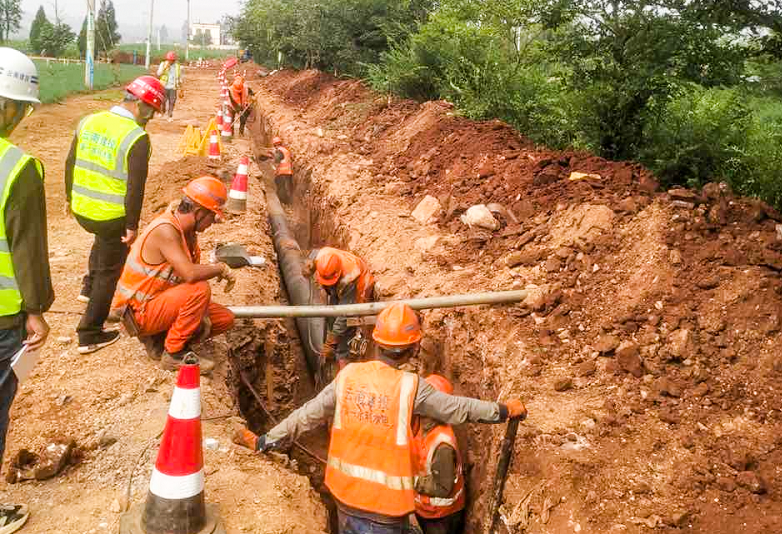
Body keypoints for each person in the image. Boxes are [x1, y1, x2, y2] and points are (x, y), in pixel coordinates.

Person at [233, 303, 527, 534]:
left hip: (343, 498)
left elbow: (307, 415)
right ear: (414, 347)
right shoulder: (412, 388)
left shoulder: (348, 376)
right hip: (384, 512)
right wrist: (502, 410)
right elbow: (458, 408)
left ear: (375, 340)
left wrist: (264, 441)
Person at [65, 75, 165, 354]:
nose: (151, 118)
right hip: (110, 215)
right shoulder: (137, 137)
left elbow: (70, 162)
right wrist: (131, 225)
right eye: (152, 112)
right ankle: (89, 333)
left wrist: (68, 197)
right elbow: (135, 188)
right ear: (142, 106)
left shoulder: (89, 121)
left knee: (102, 241)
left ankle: (87, 288)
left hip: (83, 208)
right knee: (111, 270)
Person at [0, 47, 54, 532]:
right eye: (20, 108)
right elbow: (27, 249)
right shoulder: (17, 166)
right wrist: (35, 309)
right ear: (7, 107)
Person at [111, 176, 237, 375]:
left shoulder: (187, 233)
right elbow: (190, 275)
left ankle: (160, 340)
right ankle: (173, 353)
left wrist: (198, 313)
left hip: (157, 302)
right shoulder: (165, 231)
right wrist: (221, 269)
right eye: (212, 216)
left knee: (224, 319)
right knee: (199, 289)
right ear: (199, 212)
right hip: (137, 312)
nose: (213, 222)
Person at [303, 247, 374, 375]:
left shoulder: (349, 280)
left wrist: (331, 341)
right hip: (339, 283)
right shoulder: (322, 257)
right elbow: (313, 255)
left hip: (359, 287)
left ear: (337, 274)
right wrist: (308, 265)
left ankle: (344, 360)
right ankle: (333, 349)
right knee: (332, 315)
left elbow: (344, 315)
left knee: (347, 326)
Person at [413, 375, 465, 534]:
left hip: (442, 517)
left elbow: (443, 488)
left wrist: (411, 481)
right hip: (425, 510)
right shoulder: (420, 426)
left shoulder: (443, 446)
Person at [157, 51, 182, 122]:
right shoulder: (163, 64)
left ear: (174, 60)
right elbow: (158, 74)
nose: (171, 61)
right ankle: (162, 111)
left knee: (172, 102)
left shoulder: (178, 66)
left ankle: (170, 115)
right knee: (163, 101)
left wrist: (181, 88)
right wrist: (165, 68)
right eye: (169, 60)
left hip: (173, 87)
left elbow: (180, 77)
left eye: (172, 60)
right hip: (164, 86)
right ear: (167, 59)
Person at [271, 136, 293, 203]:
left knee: (281, 189)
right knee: (287, 189)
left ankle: (283, 204)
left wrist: (275, 170)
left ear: (275, 144)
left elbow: (277, 160)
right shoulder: (285, 150)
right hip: (289, 172)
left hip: (282, 172)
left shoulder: (279, 150)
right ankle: (289, 204)